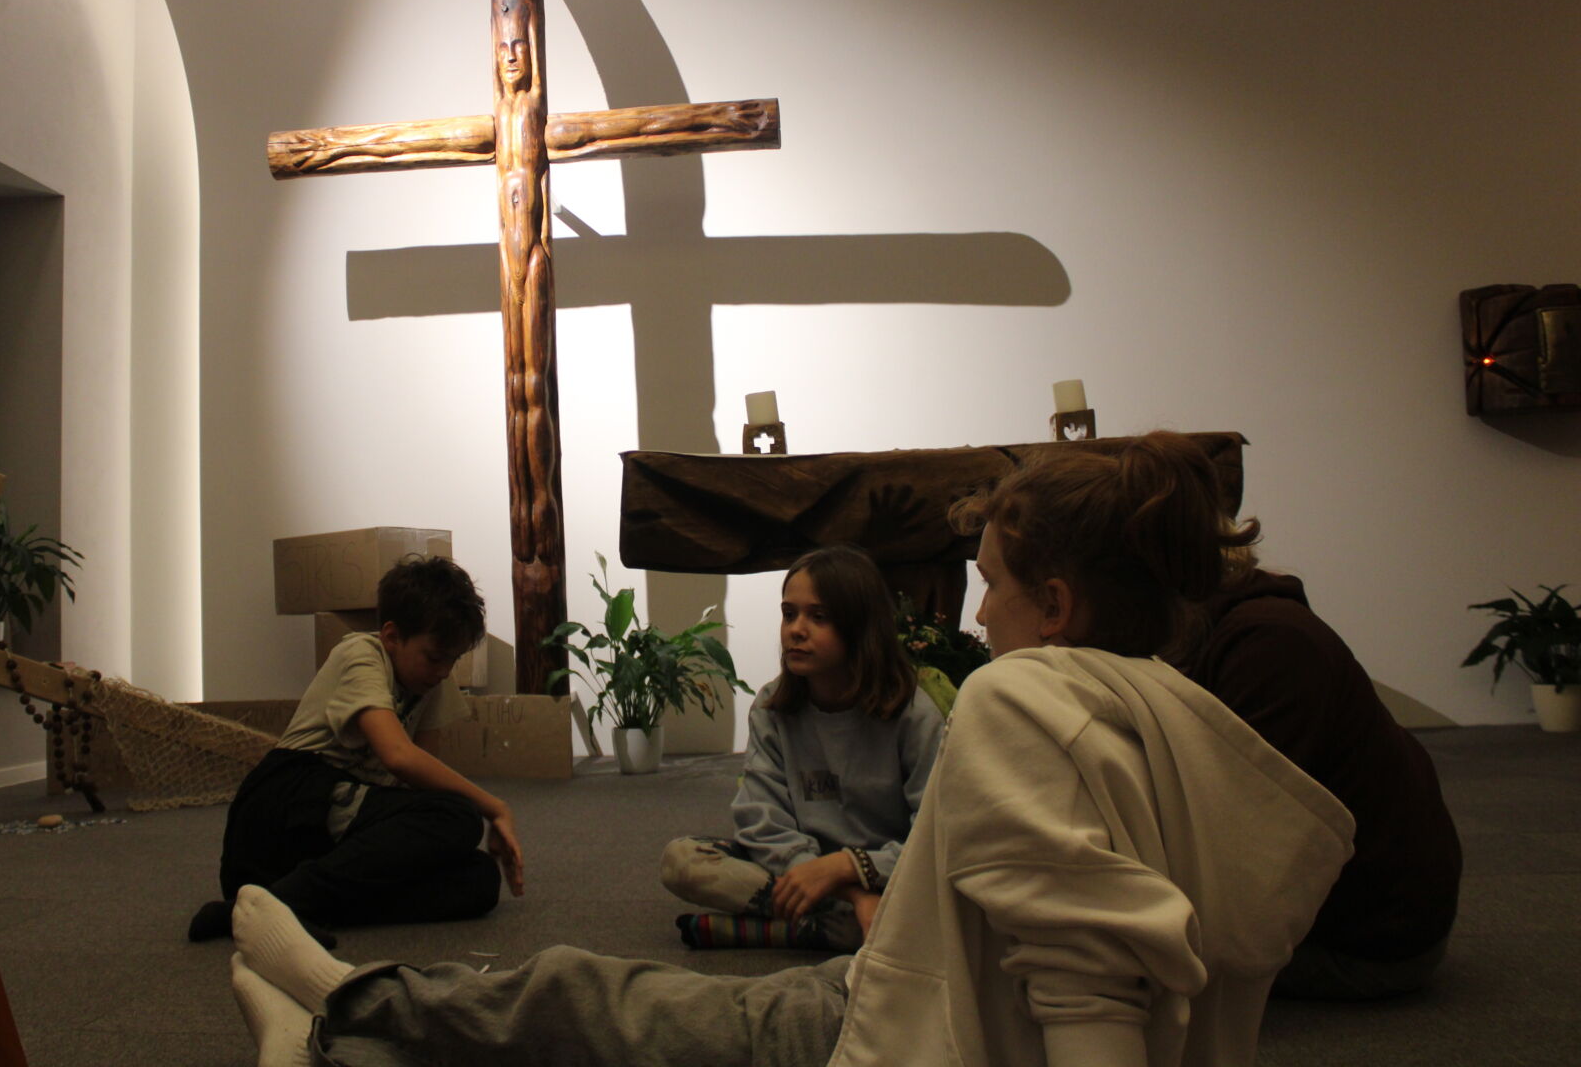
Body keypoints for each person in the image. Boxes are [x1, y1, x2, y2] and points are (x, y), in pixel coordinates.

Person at [225, 433, 1357, 1067]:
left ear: (1055, 604)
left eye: (993, 584)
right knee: (664, 929)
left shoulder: (1022, 696)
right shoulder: (1184, 721)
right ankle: (346, 1016)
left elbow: (1089, 994)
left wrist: (858, 875)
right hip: (914, 969)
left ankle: (342, 1003)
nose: (977, 610)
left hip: (893, 1025)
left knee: (593, 995)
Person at [187, 555, 524, 944]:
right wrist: (494, 807)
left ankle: (288, 906)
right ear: (392, 637)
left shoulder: (432, 680)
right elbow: (399, 757)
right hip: (286, 806)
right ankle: (265, 909)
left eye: (453, 659)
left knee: (479, 879)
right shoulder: (360, 654)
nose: (445, 670)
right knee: (459, 816)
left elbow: (421, 779)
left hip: (338, 832)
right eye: (435, 657)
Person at [1184, 558, 1461, 999]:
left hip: (1367, 946)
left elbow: (1234, 835)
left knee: (1094, 955)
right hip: (1362, 920)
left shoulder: (1269, 643)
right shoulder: (1238, 630)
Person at [660, 544, 945, 951]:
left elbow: (934, 836)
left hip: (891, 877)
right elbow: (761, 821)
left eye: (819, 617)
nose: (796, 629)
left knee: (943, 901)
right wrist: (836, 884)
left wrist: (851, 867)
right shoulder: (771, 707)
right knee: (683, 860)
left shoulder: (914, 714)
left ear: (860, 626)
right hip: (802, 872)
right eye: (789, 613)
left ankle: (798, 928)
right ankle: (846, 925)